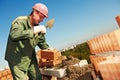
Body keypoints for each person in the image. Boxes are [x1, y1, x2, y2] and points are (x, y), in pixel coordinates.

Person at [5, 3, 51, 80]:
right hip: (16, 59)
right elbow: (14, 34)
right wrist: (33, 30)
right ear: (35, 12)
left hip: (29, 56)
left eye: (43, 18)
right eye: (41, 17)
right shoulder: (20, 21)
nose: (42, 20)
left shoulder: (38, 26)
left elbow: (41, 42)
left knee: (37, 77)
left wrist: (48, 49)